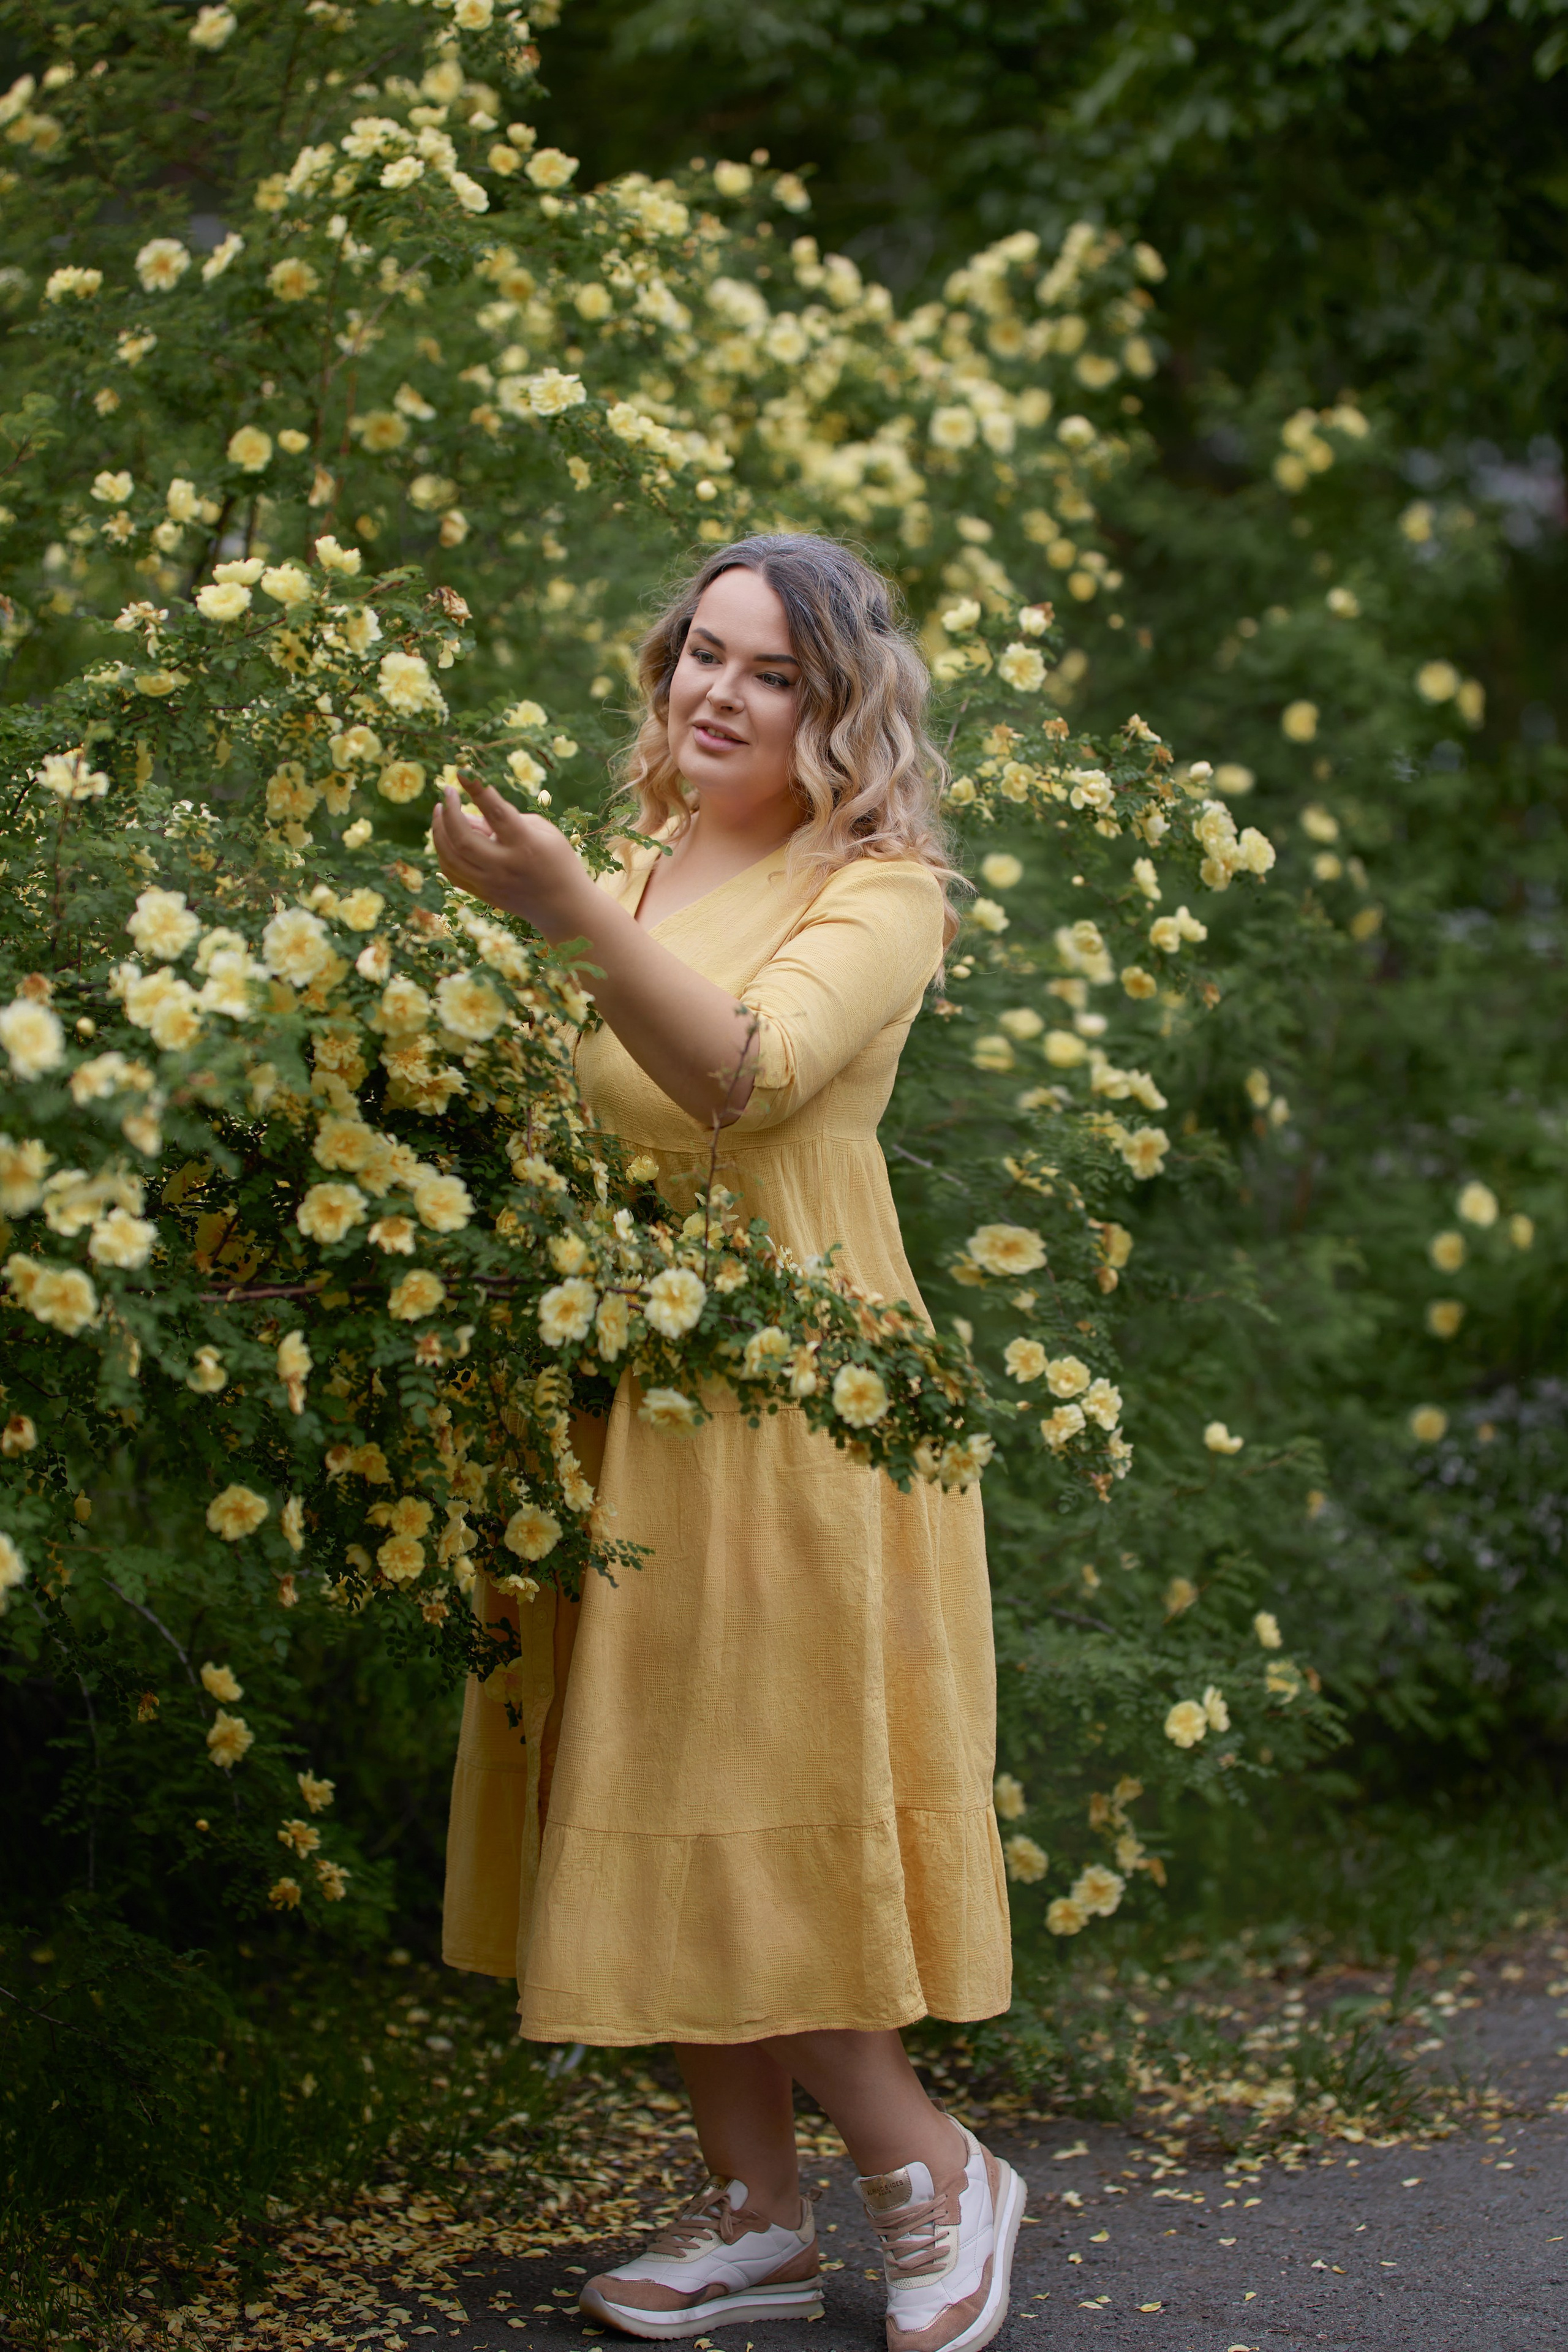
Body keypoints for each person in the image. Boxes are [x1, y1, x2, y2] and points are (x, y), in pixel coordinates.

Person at [432, 535, 1019, 2352]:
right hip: (627, 1390)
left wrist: (566, 922)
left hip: (797, 1402)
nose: (716, 692)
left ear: (837, 710)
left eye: (769, 672)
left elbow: (748, 1075)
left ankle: (933, 2176)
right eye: (703, 652)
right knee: (656, 1775)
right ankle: (755, 2219)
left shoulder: (883, 888)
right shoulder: (637, 860)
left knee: (752, 1790)